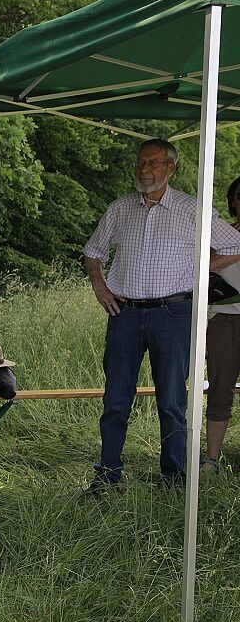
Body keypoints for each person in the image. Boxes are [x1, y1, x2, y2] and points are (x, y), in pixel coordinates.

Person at [84, 140, 240, 491]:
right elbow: (93, 252)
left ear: (171, 168)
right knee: (115, 399)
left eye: (153, 163)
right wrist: (101, 288)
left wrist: (198, 268)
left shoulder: (192, 209)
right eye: (140, 162)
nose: (144, 170)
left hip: (174, 313)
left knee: (172, 400)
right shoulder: (120, 209)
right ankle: (107, 475)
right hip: (125, 313)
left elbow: (234, 245)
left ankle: (173, 477)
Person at [203, 176, 240, 472]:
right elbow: (202, 264)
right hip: (224, 319)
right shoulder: (221, 234)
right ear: (233, 201)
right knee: (219, 389)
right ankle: (212, 460)